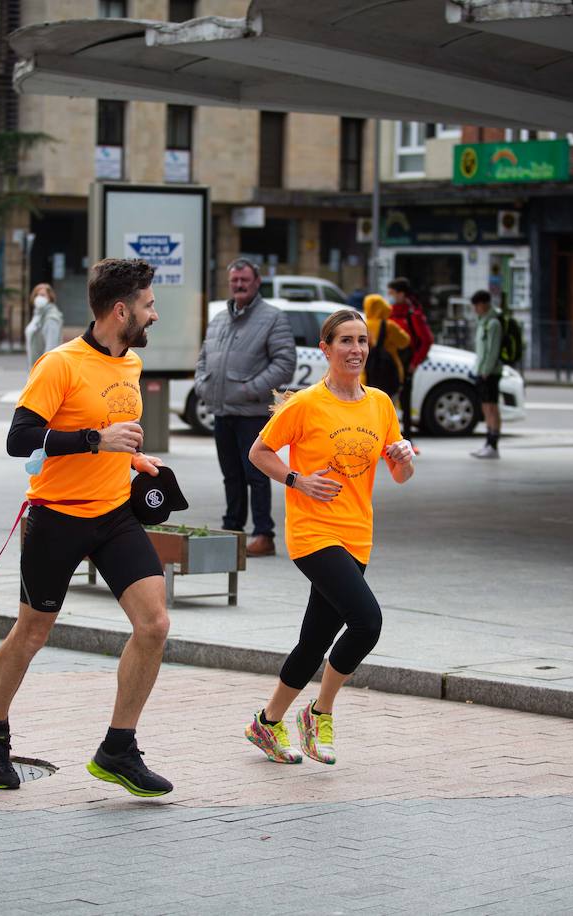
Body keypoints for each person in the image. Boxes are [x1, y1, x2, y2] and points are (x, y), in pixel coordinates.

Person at [0, 257, 175, 797]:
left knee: (154, 625)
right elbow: (20, 439)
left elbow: (113, 435)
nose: (155, 315)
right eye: (149, 306)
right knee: (32, 632)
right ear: (120, 309)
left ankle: (118, 749)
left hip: (114, 516)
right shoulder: (59, 364)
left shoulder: (129, 364)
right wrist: (94, 440)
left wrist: (133, 459)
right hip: (55, 518)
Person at [244, 308, 415, 765]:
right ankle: (319, 713)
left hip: (357, 533)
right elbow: (258, 452)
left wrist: (401, 456)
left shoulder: (379, 402)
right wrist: (297, 480)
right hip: (313, 533)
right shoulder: (304, 404)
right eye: (345, 341)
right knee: (367, 622)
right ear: (326, 348)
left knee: (315, 640)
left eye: (361, 341)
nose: (356, 349)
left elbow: (400, 474)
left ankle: (266, 722)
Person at [194, 258, 296, 558]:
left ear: (256, 282)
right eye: (234, 281)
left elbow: (285, 363)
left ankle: (264, 534)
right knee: (231, 475)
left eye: (244, 281)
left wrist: (249, 390)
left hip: (251, 414)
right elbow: (203, 358)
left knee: (257, 475)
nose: (239, 285)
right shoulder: (219, 319)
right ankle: (233, 529)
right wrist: (203, 385)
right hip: (223, 411)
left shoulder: (273, 318)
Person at [386, 278, 433, 431]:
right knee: (386, 399)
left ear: (401, 294)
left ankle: (406, 436)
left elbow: (426, 340)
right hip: (391, 361)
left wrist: (414, 362)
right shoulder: (389, 312)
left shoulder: (413, 314)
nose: (390, 297)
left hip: (406, 362)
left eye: (392, 293)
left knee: (405, 400)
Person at [469, 289, 504, 459]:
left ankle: (493, 443)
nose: (475, 309)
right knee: (486, 406)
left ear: (483, 304)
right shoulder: (483, 321)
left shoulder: (493, 323)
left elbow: (492, 351)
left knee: (492, 407)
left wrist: (486, 371)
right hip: (482, 371)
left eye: (476, 305)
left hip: (490, 373)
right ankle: (488, 442)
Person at [360, 294, 410, 390]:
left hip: (365, 375)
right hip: (389, 373)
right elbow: (405, 342)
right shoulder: (389, 326)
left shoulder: (361, 325)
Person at [25, 282, 63, 369]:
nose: (39, 298)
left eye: (42, 295)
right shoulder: (38, 314)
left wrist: (43, 370)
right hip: (35, 366)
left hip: (44, 368)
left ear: (50, 298)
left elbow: (51, 348)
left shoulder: (51, 318)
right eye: (36, 295)